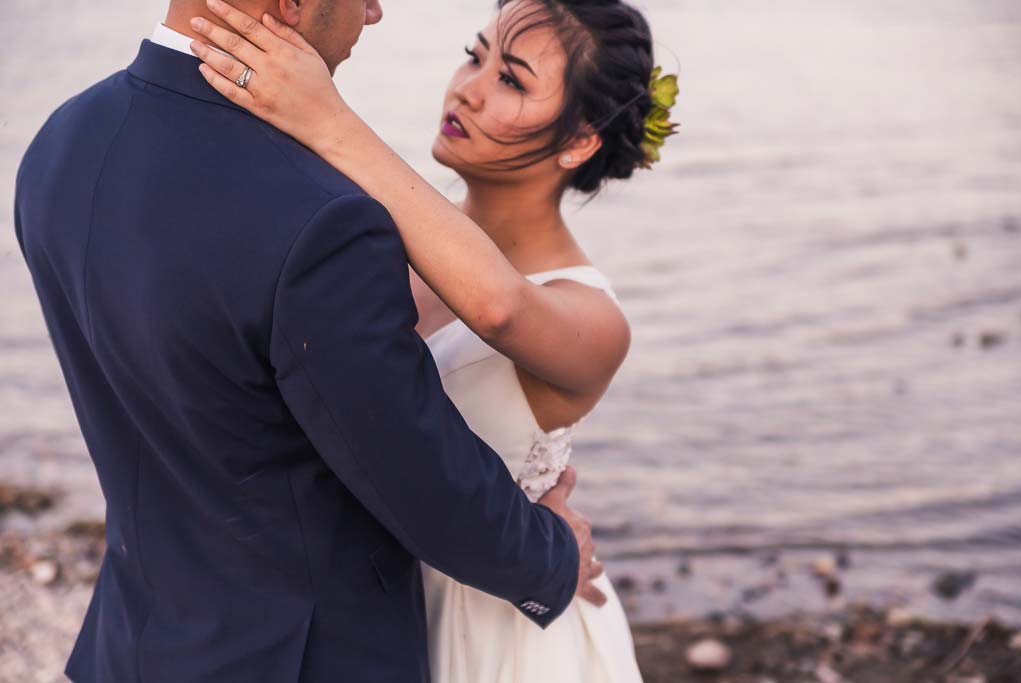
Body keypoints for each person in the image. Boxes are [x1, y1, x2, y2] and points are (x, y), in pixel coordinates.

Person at [12, 0, 611, 680]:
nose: (376, 13)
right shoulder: (320, 220)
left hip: (133, 642)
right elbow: (419, 475)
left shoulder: (61, 145)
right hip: (298, 657)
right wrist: (554, 556)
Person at [187, 0, 679, 680]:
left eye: (511, 79)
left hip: (505, 633)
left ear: (580, 140)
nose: (467, 88)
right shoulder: (366, 239)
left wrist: (325, 117)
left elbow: (499, 308)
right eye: (474, 55)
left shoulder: (591, 317)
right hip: (357, 616)